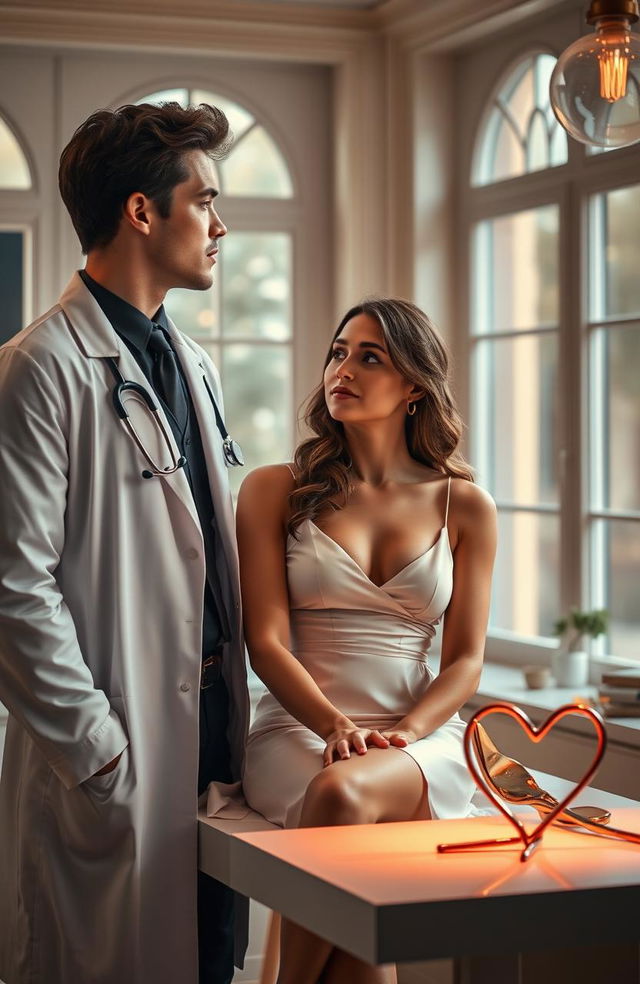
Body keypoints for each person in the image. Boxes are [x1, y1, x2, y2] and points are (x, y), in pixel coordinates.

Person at [0, 102, 249, 984]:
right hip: (120, 752)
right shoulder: (41, 366)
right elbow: (13, 587)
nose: (221, 226)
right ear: (143, 211)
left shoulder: (193, 363)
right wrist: (99, 751)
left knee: (211, 962)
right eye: (206, 200)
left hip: (215, 746)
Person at [236, 298, 497, 984]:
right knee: (342, 796)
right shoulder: (274, 490)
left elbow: (466, 659)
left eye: (370, 357)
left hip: (419, 740)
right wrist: (334, 724)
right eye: (338, 352)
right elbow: (264, 641)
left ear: (415, 386)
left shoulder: (463, 504)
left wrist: (408, 732)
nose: (342, 370)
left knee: (347, 802)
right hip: (298, 730)